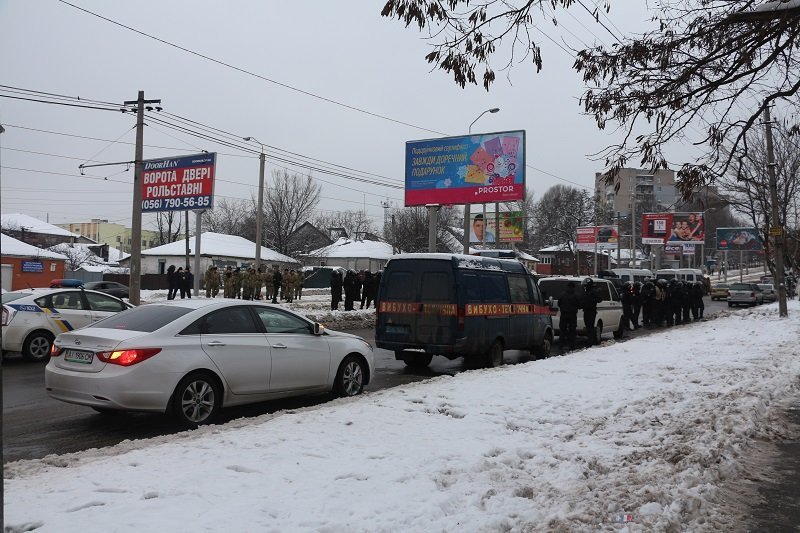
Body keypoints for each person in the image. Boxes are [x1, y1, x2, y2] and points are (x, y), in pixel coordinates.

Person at [557, 281, 581, 349]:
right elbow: (579, 305)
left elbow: (559, 303)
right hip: (572, 315)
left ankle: (561, 344)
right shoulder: (576, 295)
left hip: (564, 314)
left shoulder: (562, 294)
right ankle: (572, 345)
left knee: (562, 330)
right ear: (573, 287)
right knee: (572, 330)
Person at [581, 278, 601, 346]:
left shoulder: (593, 291)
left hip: (591, 311)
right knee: (588, 326)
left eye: (585, 285)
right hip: (586, 311)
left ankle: (590, 342)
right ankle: (589, 341)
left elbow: (599, 299)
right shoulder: (586, 292)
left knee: (590, 327)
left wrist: (591, 299)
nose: (584, 287)